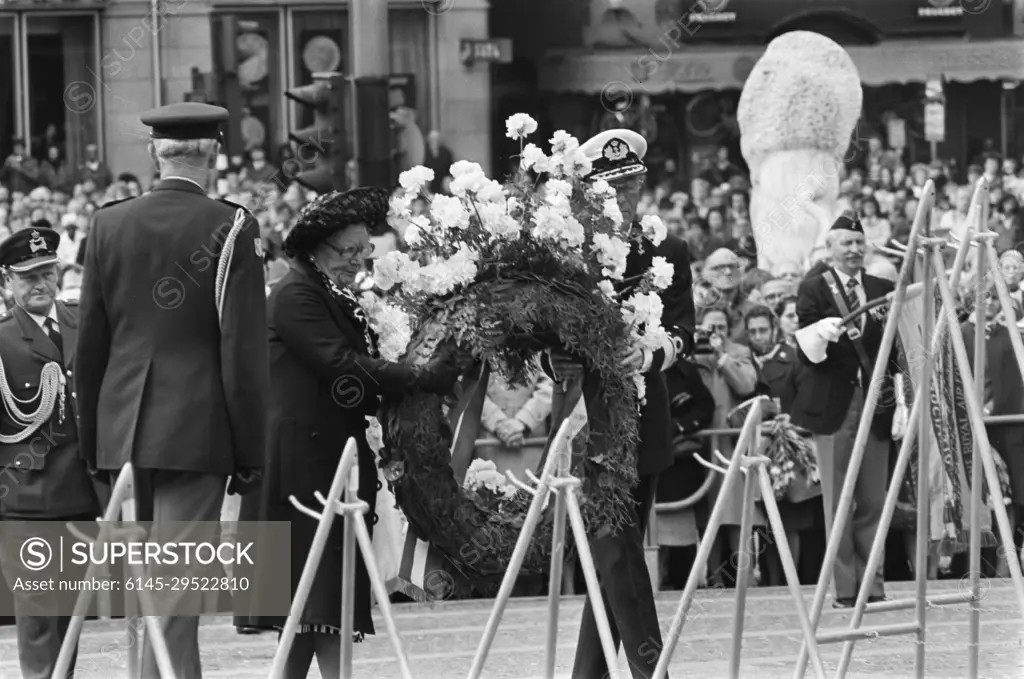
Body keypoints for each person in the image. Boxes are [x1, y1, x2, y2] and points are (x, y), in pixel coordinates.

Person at [75, 103, 269, 678]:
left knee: (144, 592)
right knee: (177, 590)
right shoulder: (232, 225)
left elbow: (90, 344)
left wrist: (93, 443)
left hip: (121, 430)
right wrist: (249, 451)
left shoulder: (108, 223)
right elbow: (242, 353)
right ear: (215, 155)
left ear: (154, 154)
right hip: (195, 429)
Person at [239, 188, 458, 678]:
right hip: (304, 466)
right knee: (311, 599)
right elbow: (340, 366)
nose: (358, 262)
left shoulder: (328, 292)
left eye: (365, 250)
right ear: (317, 248)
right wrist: (421, 377)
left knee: (318, 605)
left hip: (328, 456)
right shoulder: (295, 294)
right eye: (348, 252)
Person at [547, 128, 695, 679]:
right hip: (588, 422)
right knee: (614, 551)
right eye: (612, 187)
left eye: (632, 184)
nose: (624, 197)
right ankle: (647, 667)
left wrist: (649, 353)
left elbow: (685, 332)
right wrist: (551, 363)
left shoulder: (668, 249)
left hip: (644, 416)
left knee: (616, 556)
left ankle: (591, 673)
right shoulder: (565, 252)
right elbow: (540, 335)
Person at [0, 226, 101, 679]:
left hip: (83, 494)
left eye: (47, 272)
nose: (40, 284)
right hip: (27, 498)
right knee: (39, 621)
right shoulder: (2, 339)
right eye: (28, 277)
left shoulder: (86, 322)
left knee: (70, 619)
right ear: (7, 283)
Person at [791, 211, 898, 607]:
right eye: (846, 243)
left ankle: (873, 584)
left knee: (873, 499)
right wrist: (820, 333)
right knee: (839, 500)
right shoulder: (814, 288)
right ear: (830, 249)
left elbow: (896, 348)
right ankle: (846, 588)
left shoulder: (882, 286)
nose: (854, 249)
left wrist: (900, 397)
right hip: (835, 404)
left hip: (877, 401)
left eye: (859, 242)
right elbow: (806, 350)